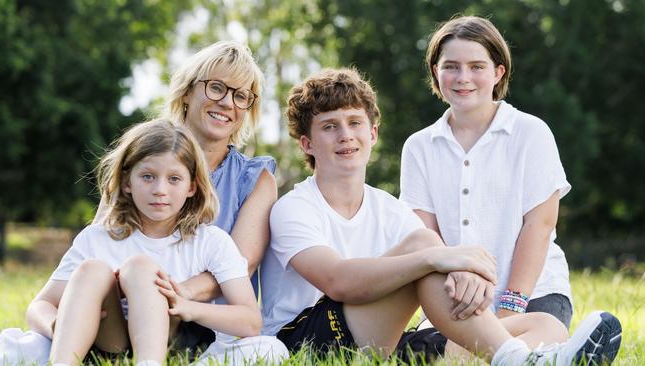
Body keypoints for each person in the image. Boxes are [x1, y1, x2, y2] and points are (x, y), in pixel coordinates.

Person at [259, 67, 622, 365]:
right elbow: (339, 282)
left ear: (372, 133)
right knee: (424, 250)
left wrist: (462, 271)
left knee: (545, 324)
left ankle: (521, 358)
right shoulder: (293, 208)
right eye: (329, 126)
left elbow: (435, 260)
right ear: (307, 144)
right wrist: (438, 257)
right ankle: (517, 361)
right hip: (304, 341)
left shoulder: (389, 208)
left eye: (355, 123)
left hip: (385, 338)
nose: (345, 136)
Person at [399, 15, 576, 357]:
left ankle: (495, 353)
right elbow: (425, 238)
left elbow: (539, 226)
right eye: (451, 66)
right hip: (455, 297)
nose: (463, 78)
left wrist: (509, 306)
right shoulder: (418, 147)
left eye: (476, 66)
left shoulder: (530, 132)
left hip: (534, 294)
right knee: (467, 344)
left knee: (542, 329)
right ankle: (531, 358)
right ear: (436, 71)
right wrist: (460, 287)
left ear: (498, 73)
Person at [24, 119, 261, 366]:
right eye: (148, 176)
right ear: (127, 182)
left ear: (192, 186)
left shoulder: (211, 241)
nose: (160, 189)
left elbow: (251, 321)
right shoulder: (97, 238)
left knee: (140, 268)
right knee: (91, 270)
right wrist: (58, 325)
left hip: (173, 340)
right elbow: (39, 306)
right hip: (109, 342)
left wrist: (187, 306)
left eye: (174, 179)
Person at [157, 40, 279, 352]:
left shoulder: (256, 179)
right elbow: (106, 234)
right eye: (216, 88)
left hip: (216, 331)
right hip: (134, 307)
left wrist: (173, 294)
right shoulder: (140, 161)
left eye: (241, 96)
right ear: (187, 92)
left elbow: (242, 264)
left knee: (269, 353)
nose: (228, 103)